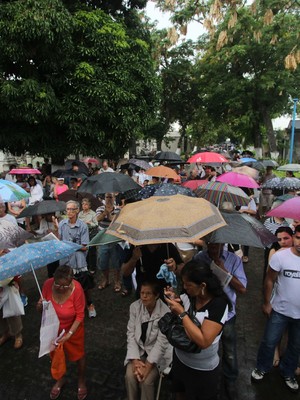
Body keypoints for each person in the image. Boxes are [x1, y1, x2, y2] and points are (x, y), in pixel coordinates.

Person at [165, 260, 230, 400]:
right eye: (183, 283)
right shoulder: (190, 294)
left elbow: (204, 340)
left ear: (203, 286)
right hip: (180, 360)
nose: (184, 288)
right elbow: (184, 303)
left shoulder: (218, 305)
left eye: (188, 285)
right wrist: (174, 299)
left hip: (201, 370)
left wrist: (181, 313)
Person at [194, 243, 247, 400]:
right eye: (210, 245)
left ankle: (230, 380)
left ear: (223, 244)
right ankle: (210, 379)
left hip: (228, 315)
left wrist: (224, 270)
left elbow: (243, 289)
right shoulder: (199, 258)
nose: (213, 249)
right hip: (207, 315)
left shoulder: (233, 260)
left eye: (217, 246)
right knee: (209, 349)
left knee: (229, 351)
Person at [251, 225, 300, 393]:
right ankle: (262, 367)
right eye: (298, 237)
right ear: (294, 237)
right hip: (279, 310)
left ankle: (288, 372)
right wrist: (266, 302)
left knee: (295, 345)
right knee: (270, 341)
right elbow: (269, 280)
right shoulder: (281, 257)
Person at [37, 265, 87, 400]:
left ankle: (81, 381)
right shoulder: (47, 285)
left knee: (78, 355)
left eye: (65, 286)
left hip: (73, 329)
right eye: (57, 284)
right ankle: (60, 379)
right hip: (53, 328)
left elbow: (80, 316)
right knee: (55, 356)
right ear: (53, 279)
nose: (60, 288)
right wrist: (39, 306)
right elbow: (41, 311)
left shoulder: (77, 290)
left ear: (71, 282)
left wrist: (69, 335)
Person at [124, 280, 172, 400]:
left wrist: (148, 366)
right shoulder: (135, 307)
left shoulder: (166, 312)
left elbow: (162, 343)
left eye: (148, 294)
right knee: (130, 376)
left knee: (146, 381)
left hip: (157, 356)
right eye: (142, 293)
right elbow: (131, 334)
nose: (144, 297)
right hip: (138, 353)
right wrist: (135, 361)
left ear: (156, 296)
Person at [53, 201, 96, 318]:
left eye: (72, 209)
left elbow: (84, 246)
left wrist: (70, 246)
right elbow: (59, 241)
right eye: (67, 209)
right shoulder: (62, 224)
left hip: (79, 260)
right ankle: (69, 306)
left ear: (77, 210)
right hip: (65, 260)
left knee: (84, 285)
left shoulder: (82, 226)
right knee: (66, 283)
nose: (69, 212)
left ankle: (90, 304)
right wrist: (56, 230)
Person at [267, 226, 294, 368]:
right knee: (276, 330)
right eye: (279, 239)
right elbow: (270, 276)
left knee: (293, 333)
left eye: (286, 238)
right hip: (278, 295)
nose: (283, 242)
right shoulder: (275, 253)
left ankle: (290, 360)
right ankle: (275, 352)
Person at [96, 193, 121, 292]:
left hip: (114, 239)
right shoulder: (99, 209)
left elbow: (115, 221)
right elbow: (98, 219)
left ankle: (117, 281)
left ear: (114, 198)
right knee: (103, 262)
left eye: (111, 197)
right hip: (103, 240)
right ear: (104, 198)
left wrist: (108, 213)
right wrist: (105, 212)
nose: (109, 199)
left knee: (116, 263)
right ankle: (106, 279)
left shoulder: (118, 209)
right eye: (107, 197)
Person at [78, 198, 98, 274]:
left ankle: (93, 267)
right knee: (84, 249)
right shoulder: (80, 214)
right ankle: (85, 266)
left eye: (86, 204)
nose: (84, 205)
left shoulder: (93, 213)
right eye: (83, 204)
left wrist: (90, 223)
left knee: (92, 250)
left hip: (91, 233)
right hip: (82, 233)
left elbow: (96, 224)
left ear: (89, 206)